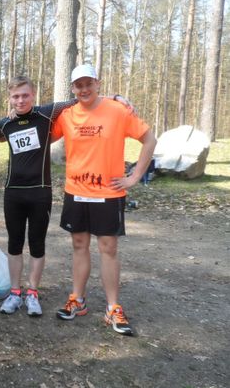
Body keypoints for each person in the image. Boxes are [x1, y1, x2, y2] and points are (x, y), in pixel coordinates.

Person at [52, 64, 156, 336]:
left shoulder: (118, 110)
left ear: (98, 83)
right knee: (79, 244)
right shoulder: (66, 115)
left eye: (89, 83)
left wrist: (134, 176)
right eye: (79, 85)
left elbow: (149, 139)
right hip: (76, 191)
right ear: (73, 88)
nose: (84, 89)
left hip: (108, 193)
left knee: (108, 248)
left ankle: (113, 307)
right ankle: (77, 299)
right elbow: (42, 130)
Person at [0, 76, 75, 317]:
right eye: (15, 96)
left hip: (40, 192)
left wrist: (114, 99)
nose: (20, 100)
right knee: (14, 243)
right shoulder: (5, 123)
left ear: (33, 95)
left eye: (25, 95)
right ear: (9, 98)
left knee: (37, 243)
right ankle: (15, 292)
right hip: (13, 192)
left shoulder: (46, 113)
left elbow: (77, 101)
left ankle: (32, 293)